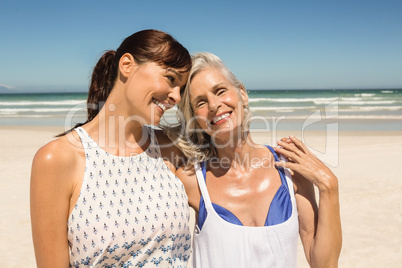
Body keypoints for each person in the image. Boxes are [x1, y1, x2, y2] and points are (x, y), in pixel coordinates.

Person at [30, 29, 193, 267]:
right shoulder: (58, 159)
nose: (177, 97)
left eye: (182, 87)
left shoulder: (169, 149)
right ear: (127, 65)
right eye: (170, 78)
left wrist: (267, 155)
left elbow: (225, 187)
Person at [173, 52, 342, 267]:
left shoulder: (290, 169)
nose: (214, 105)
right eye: (201, 102)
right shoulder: (191, 180)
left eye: (220, 91)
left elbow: (324, 264)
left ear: (242, 94)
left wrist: (329, 186)